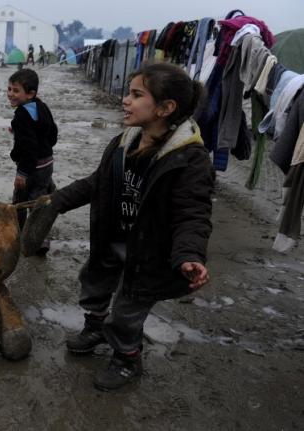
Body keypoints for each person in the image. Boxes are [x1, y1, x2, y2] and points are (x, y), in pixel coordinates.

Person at [44, 63, 214, 390]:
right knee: (94, 284)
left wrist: (190, 254)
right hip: (113, 236)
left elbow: (192, 213)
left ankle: (126, 357)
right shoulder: (124, 142)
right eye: (129, 92)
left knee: (127, 310)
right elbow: (98, 183)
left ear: (165, 108)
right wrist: (57, 200)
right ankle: (94, 326)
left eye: (136, 95)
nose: (125, 100)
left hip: (149, 251)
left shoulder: (189, 160)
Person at [6, 68, 57, 254]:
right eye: (9, 89)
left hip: (30, 168)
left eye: (16, 90)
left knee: (20, 201)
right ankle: (41, 240)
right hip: (47, 163)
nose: (11, 94)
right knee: (40, 200)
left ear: (30, 93)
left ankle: (17, 234)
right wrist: (46, 146)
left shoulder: (20, 115)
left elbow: (26, 148)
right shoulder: (41, 106)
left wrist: (22, 172)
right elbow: (52, 131)